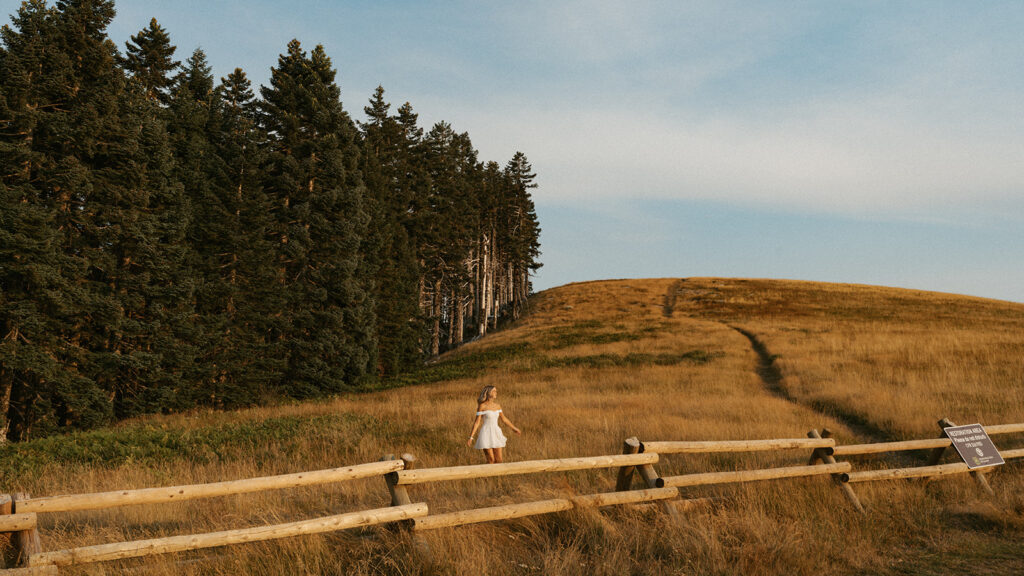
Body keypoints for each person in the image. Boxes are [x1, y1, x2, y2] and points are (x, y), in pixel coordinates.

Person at [466, 385, 521, 463]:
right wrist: (471, 437)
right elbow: (477, 422)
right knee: (491, 459)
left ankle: (499, 475)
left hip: (496, 433)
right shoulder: (482, 406)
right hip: (486, 434)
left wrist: (514, 428)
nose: (496, 393)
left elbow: (504, 419)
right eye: (494, 391)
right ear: (488, 392)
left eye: (496, 391)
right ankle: (488, 474)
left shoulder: (497, 406)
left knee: (499, 460)